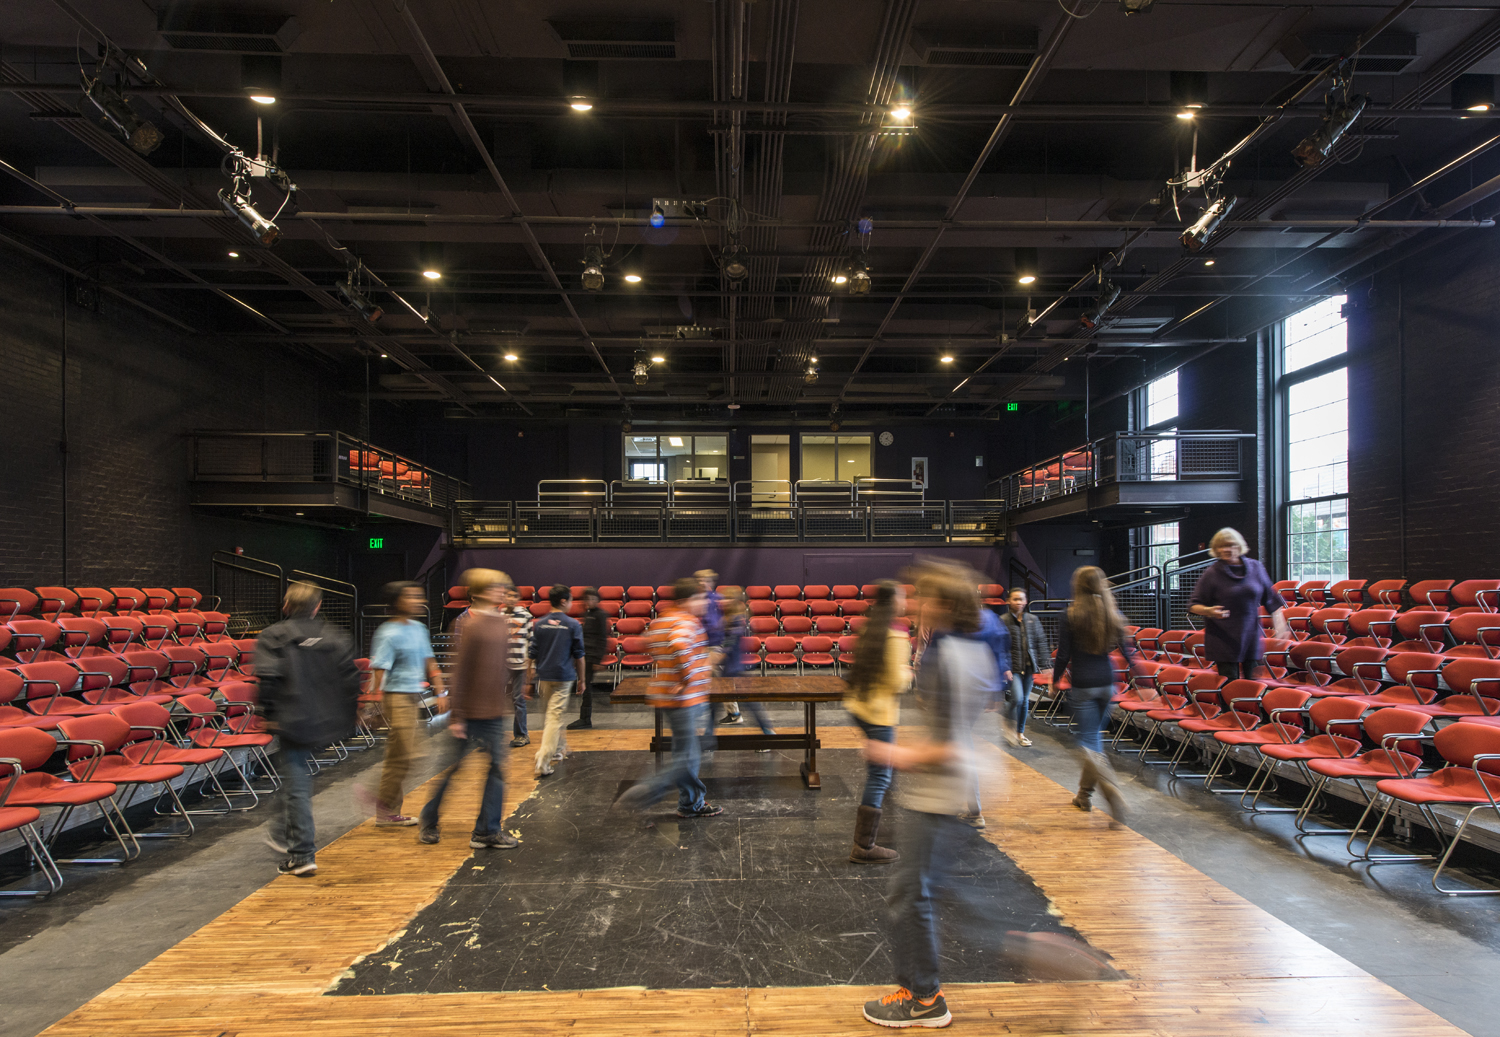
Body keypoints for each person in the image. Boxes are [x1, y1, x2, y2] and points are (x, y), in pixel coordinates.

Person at [861, 567, 995, 1029]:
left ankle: (924, 999)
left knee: (913, 895)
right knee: (918, 893)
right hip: (940, 791)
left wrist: (894, 752)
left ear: (943, 603)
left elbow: (953, 744)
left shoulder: (953, 656)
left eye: (923, 596)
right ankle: (916, 988)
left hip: (939, 792)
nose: (914, 602)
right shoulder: (961, 648)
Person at [257, 581, 360, 877]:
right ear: (317, 607)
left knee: (297, 783)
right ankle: (281, 829)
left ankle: (301, 854)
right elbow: (351, 679)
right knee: (296, 780)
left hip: (292, 720)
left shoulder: (273, 635)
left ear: (286, 606)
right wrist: (351, 715)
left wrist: (268, 713)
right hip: (328, 720)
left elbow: (268, 679)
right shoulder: (336, 636)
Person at [418, 568, 522, 850]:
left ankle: (486, 831)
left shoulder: (501, 622)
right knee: (453, 769)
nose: (501, 590)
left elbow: (499, 668)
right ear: (478, 592)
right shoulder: (468, 624)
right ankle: (428, 819)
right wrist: (458, 716)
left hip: (492, 712)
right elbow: (460, 673)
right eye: (495, 587)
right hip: (469, 712)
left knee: (498, 770)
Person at [615, 576, 723, 818]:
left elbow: (649, 644)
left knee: (686, 754)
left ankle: (691, 804)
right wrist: (687, 678)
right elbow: (679, 646)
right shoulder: (685, 621)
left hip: (668, 696)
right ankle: (648, 790)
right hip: (685, 699)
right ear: (688, 600)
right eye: (701, 598)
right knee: (687, 758)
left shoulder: (663, 619)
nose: (706, 602)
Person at [1052, 566, 1139, 817]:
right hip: (1107, 684)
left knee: (1087, 744)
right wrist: (1143, 681)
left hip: (1083, 685)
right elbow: (1127, 652)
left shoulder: (1070, 614)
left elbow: (1063, 655)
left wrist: (1055, 680)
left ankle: (1110, 789)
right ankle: (1083, 796)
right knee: (1095, 743)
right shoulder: (1113, 613)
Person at [841, 580, 911, 864]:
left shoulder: (870, 627)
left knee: (882, 768)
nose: (905, 601)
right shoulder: (897, 636)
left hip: (860, 706)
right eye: (903, 596)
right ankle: (864, 846)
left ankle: (883, 791)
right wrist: (909, 673)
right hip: (880, 713)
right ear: (895, 601)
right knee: (879, 774)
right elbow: (896, 682)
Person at [367, 581, 444, 827]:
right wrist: (376, 705)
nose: (419, 600)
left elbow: (429, 659)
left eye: (419, 596)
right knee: (408, 753)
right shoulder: (388, 632)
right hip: (396, 697)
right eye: (411, 596)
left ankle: (386, 812)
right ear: (397, 602)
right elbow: (380, 670)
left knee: (398, 757)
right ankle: (379, 801)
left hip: (412, 697)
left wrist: (441, 690)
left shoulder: (419, 628)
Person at [1188, 527, 1291, 681]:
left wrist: (1280, 625)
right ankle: (1227, 706)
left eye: (1232, 545)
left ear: (1240, 546)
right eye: (1222, 546)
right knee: (1229, 684)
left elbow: (1271, 600)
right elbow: (1194, 605)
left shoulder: (1256, 568)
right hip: (1223, 637)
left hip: (1251, 635)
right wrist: (1210, 611)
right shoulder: (1212, 573)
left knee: (1254, 684)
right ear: (1216, 550)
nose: (1228, 549)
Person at [962, 597, 1013, 828]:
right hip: (981, 690)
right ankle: (973, 808)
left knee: (961, 746)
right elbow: (999, 653)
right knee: (964, 746)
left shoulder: (951, 622)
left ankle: (974, 810)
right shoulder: (991, 619)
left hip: (960, 691)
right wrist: (996, 690)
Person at [529, 585, 586, 778]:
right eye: (570, 600)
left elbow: (532, 652)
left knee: (551, 717)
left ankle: (560, 747)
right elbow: (579, 656)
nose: (571, 604)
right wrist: (583, 679)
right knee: (554, 719)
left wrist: (528, 677)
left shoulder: (540, 624)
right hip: (563, 678)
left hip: (543, 676)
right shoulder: (572, 625)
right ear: (563, 601)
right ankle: (543, 761)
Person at [718, 589, 775, 739]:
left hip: (734, 670)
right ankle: (707, 739)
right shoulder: (729, 620)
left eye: (726, 599)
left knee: (751, 704)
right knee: (713, 703)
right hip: (729, 669)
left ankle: (768, 733)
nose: (722, 602)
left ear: (733, 602)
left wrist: (708, 660)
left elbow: (727, 648)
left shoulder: (735, 622)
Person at [1000, 588, 1052, 747]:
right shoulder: (1003, 620)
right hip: (1012, 667)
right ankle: (1008, 725)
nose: (1019, 602)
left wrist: (1046, 665)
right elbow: (999, 646)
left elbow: (1041, 643)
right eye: (1015, 599)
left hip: (1029, 666)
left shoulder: (1033, 620)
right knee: (1018, 698)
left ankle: (1019, 733)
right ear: (1008, 601)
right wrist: (1004, 667)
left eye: (1021, 599)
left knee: (1024, 702)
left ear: (1026, 601)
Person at [570, 587, 610, 731]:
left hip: (592, 656)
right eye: (588, 599)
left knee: (585, 686)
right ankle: (584, 718)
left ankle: (585, 718)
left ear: (598, 600)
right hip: (584, 654)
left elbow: (602, 638)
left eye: (593, 599)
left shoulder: (600, 615)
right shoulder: (586, 614)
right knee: (584, 685)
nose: (590, 601)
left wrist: (598, 660)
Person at [502, 584, 535, 748]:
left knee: (518, 700)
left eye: (513, 596)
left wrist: (531, 666)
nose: (510, 599)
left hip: (520, 664)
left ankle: (522, 735)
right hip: (501, 664)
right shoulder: (498, 616)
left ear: (517, 598)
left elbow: (531, 642)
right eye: (507, 596)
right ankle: (492, 736)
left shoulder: (525, 616)